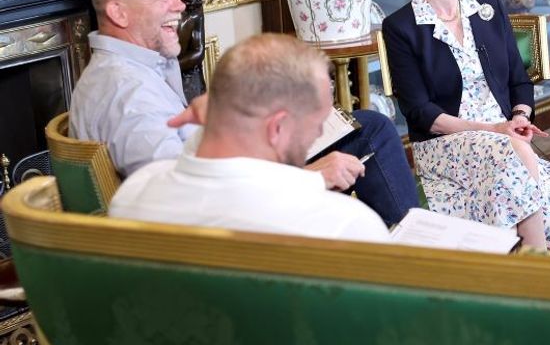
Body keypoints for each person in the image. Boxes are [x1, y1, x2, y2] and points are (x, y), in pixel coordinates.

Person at [69, 0, 422, 226]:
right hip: (233, 221)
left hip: (231, 177)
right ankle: (419, 259)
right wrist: (308, 177)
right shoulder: (130, 97)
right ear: (119, 13)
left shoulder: (125, 71)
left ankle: (414, 247)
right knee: (370, 135)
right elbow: (189, 201)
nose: (180, 6)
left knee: (365, 125)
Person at [381, 0, 550, 250]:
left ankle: (524, 270)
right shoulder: (401, 27)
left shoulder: (488, 7)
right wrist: (494, 131)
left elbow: (519, 80)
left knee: (522, 163)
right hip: (447, 145)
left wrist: (519, 117)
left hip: (506, 139)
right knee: (511, 155)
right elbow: (419, 112)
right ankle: (540, 264)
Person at [110, 34, 392, 242]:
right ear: (278, 128)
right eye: (317, 123)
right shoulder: (343, 225)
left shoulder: (133, 195)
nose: (318, 133)